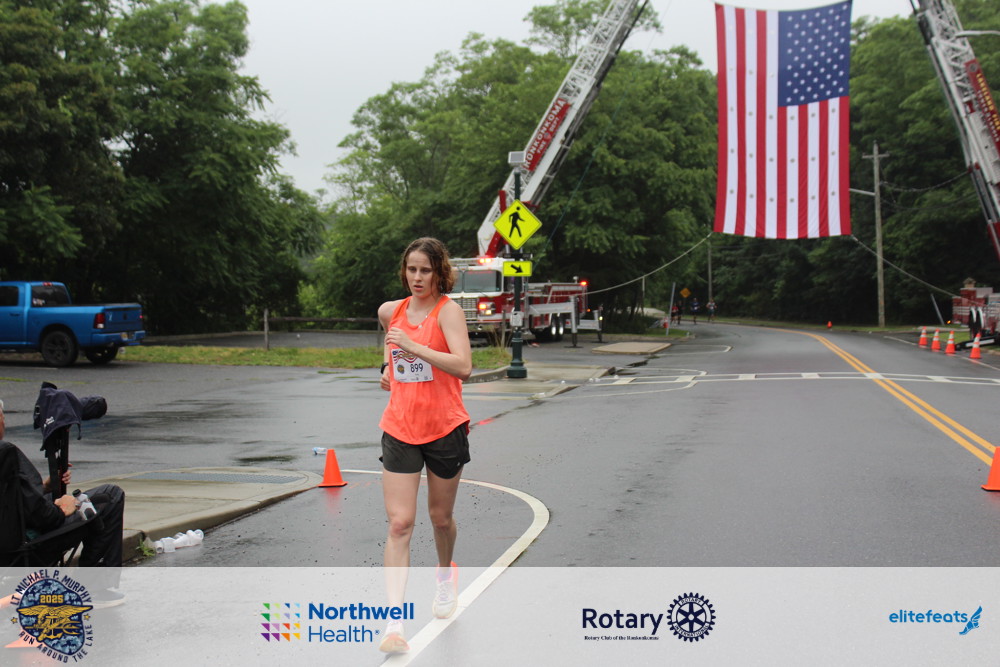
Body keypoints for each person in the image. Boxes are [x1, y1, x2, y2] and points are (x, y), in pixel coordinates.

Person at [376, 237, 473, 653]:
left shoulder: (448, 312)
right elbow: (392, 347)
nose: (417, 278)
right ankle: (393, 625)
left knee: (440, 517)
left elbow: (464, 366)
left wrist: (415, 346)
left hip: (444, 427)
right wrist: (385, 367)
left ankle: (445, 574)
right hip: (400, 426)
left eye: (425, 271)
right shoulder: (390, 311)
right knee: (399, 524)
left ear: (439, 273)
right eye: (412, 269)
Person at [1, 398, 126, 606]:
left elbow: (12, 501)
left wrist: (45, 488)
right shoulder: (5, 453)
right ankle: (94, 588)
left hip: (10, 542)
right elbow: (45, 517)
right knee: (110, 496)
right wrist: (63, 508)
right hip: (23, 548)